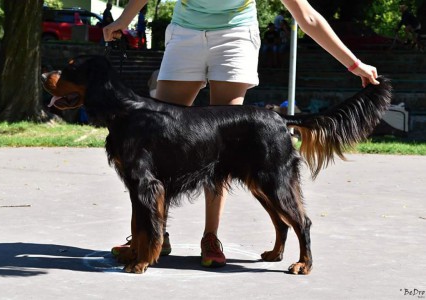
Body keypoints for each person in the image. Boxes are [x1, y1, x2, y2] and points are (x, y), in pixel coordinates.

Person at [103, 0, 379, 268]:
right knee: (157, 142)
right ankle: (153, 236)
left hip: (235, 36)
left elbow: (306, 16)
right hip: (185, 33)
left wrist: (355, 64)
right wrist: (123, 21)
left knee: (223, 145)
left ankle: (210, 237)